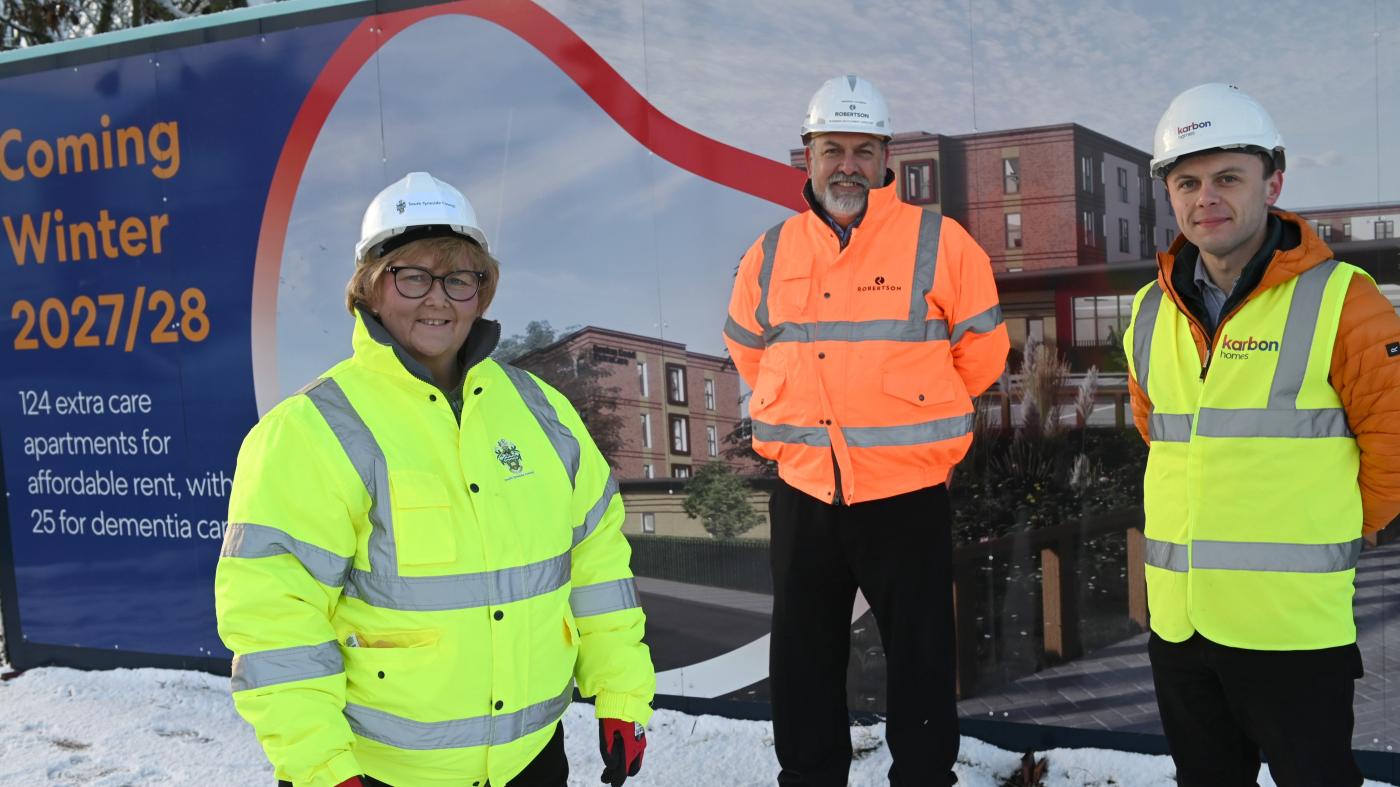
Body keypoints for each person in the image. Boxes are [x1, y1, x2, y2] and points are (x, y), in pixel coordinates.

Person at [215, 172, 654, 787]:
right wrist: (322, 766)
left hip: (530, 762)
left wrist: (621, 691)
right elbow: (276, 620)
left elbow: (597, 564)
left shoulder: (540, 411)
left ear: (482, 292)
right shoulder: (311, 430)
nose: (437, 300)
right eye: (413, 277)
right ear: (370, 289)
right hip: (380, 772)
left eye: (458, 279)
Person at [723, 75, 1009, 786]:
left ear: (887, 158)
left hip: (906, 495)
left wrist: (909, 423)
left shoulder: (940, 243)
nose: (847, 165)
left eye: (862, 150)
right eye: (832, 149)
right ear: (808, 156)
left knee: (921, 658)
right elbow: (749, 351)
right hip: (805, 492)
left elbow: (981, 356)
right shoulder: (770, 251)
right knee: (802, 659)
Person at [1124, 83, 1400, 787]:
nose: (1206, 198)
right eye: (1187, 182)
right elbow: (1159, 435)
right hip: (1182, 626)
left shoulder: (1345, 299)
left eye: (1228, 178)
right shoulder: (1150, 311)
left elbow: (1395, 448)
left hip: (1292, 629)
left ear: (1272, 183)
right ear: (1170, 194)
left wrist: (1334, 528)